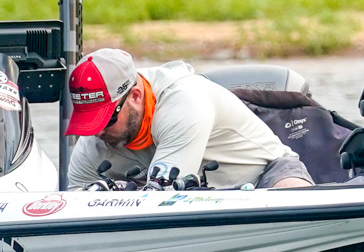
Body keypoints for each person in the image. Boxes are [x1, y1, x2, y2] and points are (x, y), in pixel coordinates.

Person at [64, 48, 313, 190]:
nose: (97, 132)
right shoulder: (93, 144)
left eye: (106, 119)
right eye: (88, 122)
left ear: (136, 96)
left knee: (290, 192)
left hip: (264, 177)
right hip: (200, 200)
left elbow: (164, 200)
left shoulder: (184, 103)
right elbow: (74, 205)